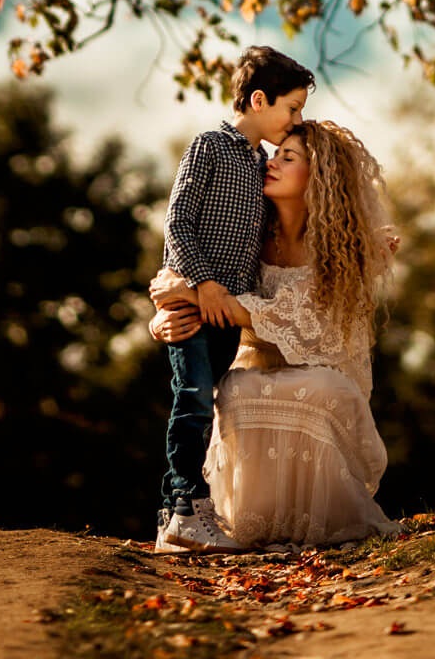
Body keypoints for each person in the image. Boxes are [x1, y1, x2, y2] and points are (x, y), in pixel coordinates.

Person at [150, 120, 399, 551]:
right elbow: (196, 281)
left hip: (325, 373)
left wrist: (187, 291)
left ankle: (319, 519)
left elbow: (285, 317)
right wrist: (163, 319)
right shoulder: (250, 232)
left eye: (289, 157)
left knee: (316, 387)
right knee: (235, 388)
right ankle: (244, 521)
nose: (272, 162)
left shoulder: (340, 244)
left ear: (318, 174)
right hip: (261, 365)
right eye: (274, 154)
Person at [154, 45, 315, 555]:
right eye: (292, 109)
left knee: (209, 406)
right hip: (193, 305)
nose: (295, 121)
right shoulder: (209, 146)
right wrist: (201, 283)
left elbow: (300, 217)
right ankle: (182, 508)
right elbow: (176, 222)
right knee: (195, 397)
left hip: (226, 315)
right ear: (259, 99)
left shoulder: (263, 164)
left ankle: (183, 517)